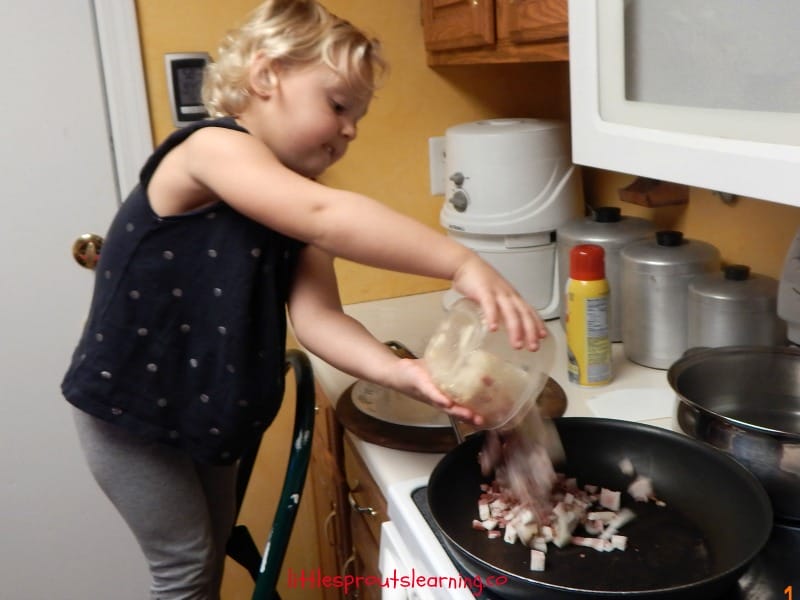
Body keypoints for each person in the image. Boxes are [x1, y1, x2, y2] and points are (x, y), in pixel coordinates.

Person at [61, 1, 548, 598]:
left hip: (209, 414)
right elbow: (325, 217)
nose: (349, 130)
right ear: (266, 76)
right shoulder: (211, 150)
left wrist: (401, 372)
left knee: (207, 558)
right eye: (339, 105)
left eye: (358, 118)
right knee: (184, 568)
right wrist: (460, 262)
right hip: (130, 410)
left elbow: (319, 319)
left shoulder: (296, 200)